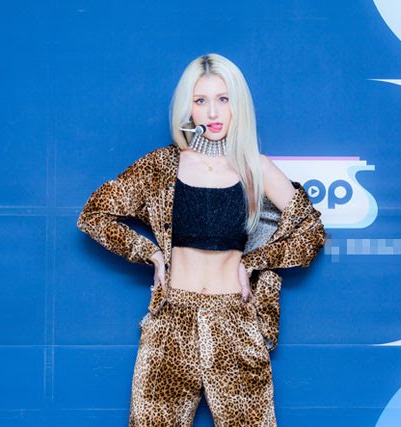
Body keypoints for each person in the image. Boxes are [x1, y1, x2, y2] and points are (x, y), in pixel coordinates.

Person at [77, 53, 325, 426]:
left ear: (238, 105)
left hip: (235, 323)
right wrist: (149, 253)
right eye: (200, 100)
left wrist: (254, 262)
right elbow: (94, 214)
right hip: (171, 323)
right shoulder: (162, 166)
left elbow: (311, 231)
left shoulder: (255, 168)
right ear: (188, 108)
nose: (212, 112)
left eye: (223, 99)